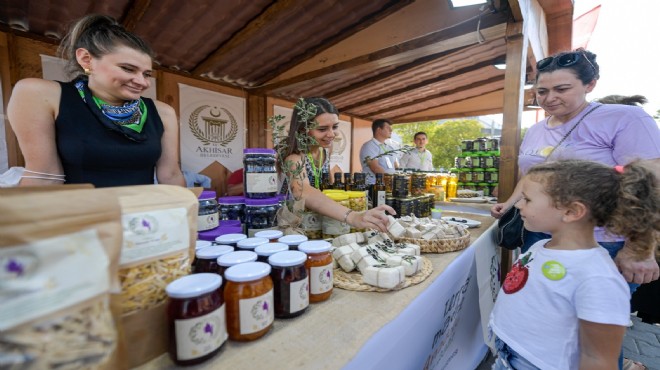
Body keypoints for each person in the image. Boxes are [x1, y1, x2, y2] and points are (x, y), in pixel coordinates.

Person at [490, 48, 660, 286]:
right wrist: (509, 204)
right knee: (537, 309)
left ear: (590, 85)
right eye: (542, 91)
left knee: (589, 318)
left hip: (600, 241)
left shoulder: (625, 118)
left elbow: (651, 184)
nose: (550, 98)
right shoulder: (538, 129)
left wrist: (640, 249)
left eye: (562, 89)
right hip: (539, 236)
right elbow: (530, 177)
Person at [490, 159, 659, 370]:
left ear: (571, 212)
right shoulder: (540, 246)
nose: (517, 205)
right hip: (510, 351)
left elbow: (599, 359)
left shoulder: (598, 278)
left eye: (527, 200)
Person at [7, 14, 185, 188]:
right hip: (80, 215)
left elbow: (171, 175)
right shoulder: (42, 94)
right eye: (128, 69)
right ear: (86, 60)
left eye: (146, 74)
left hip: (141, 216)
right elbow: (45, 177)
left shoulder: (162, 112)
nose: (143, 82)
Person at [277, 97, 394, 232]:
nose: (331, 134)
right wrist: (352, 216)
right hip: (293, 225)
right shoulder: (294, 157)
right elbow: (302, 191)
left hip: (314, 222)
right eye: (322, 129)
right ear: (303, 129)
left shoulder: (325, 149)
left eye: (335, 127)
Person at [359, 119, 398, 185]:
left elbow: (395, 166)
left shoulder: (389, 147)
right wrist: (390, 182)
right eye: (388, 128)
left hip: (389, 186)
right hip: (374, 186)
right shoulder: (369, 146)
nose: (391, 130)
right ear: (379, 130)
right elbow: (375, 168)